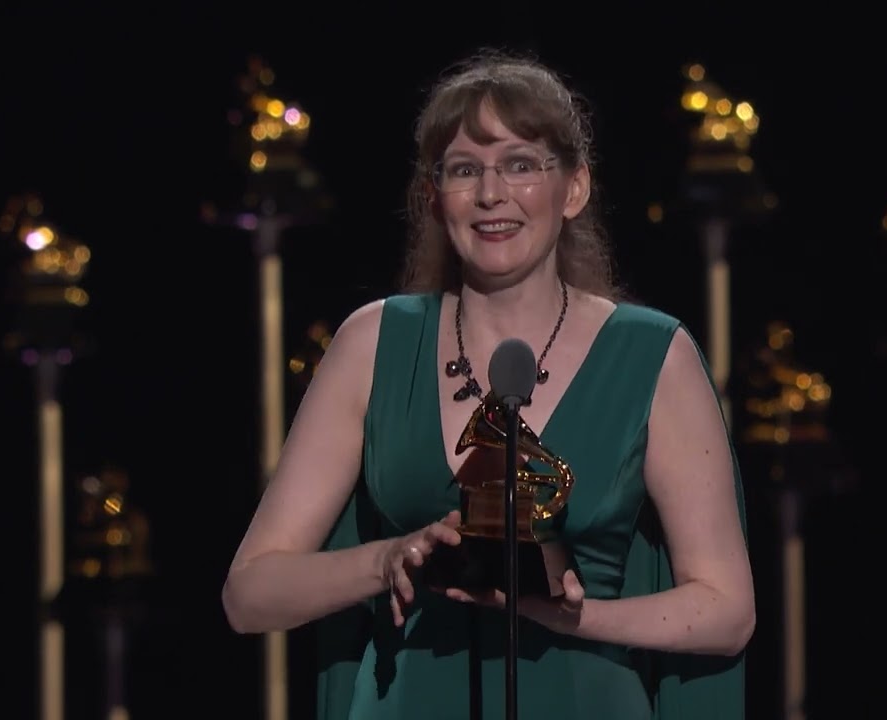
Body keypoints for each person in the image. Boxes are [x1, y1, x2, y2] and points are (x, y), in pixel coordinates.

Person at [222, 49, 755, 719]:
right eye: (465, 169)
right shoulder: (372, 343)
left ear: (575, 189)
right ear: (434, 196)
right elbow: (250, 593)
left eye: (522, 165)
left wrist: (568, 617)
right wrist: (390, 557)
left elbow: (726, 610)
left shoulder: (653, 354)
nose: (491, 194)